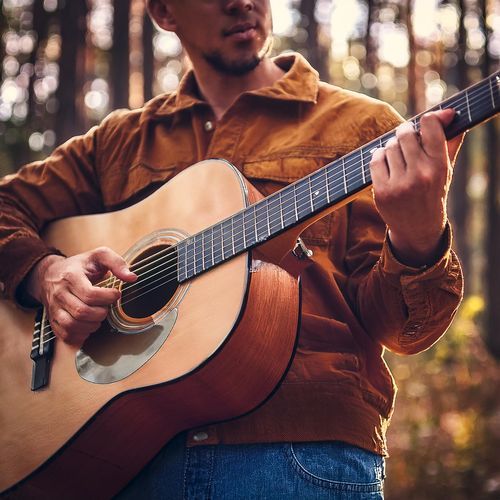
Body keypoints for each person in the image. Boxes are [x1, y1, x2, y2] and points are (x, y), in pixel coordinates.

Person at [0, 0, 464, 498]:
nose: (241, 1)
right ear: (164, 14)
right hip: (123, 461)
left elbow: (403, 330)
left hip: (299, 457)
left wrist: (417, 237)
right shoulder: (119, 143)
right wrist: (45, 272)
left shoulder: (366, 129)